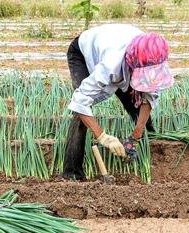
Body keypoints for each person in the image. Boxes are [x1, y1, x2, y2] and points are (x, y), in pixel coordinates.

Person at [63, 24, 174, 180]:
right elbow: (80, 101)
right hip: (82, 51)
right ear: (132, 64)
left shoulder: (154, 57)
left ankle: (148, 152)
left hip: (120, 51)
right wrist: (102, 136)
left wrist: (136, 135)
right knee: (81, 115)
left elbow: (149, 97)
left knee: (135, 99)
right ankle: (72, 173)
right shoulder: (111, 65)